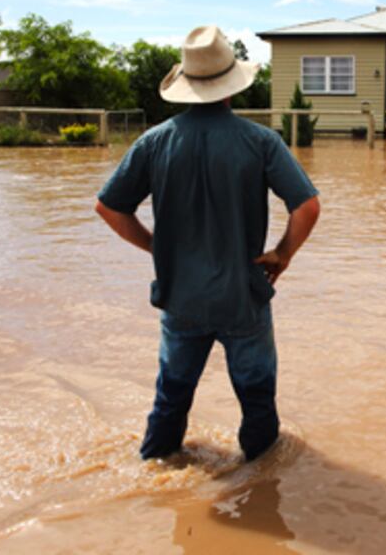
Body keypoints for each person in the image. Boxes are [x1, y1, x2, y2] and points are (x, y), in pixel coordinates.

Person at [95, 25, 320, 461]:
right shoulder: (260, 142)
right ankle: (261, 484)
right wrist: (282, 254)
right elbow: (307, 207)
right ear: (231, 87)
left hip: (181, 297)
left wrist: (157, 247)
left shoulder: (154, 142)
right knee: (257, 401)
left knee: (171, 398)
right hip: (243, 296)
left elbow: (109, 208)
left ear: (186, 86)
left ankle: (155, 473)